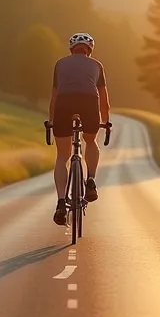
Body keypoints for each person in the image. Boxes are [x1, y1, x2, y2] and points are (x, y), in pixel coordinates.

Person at [49, 32, 110, 225]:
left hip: (64, 103)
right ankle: (90, 180)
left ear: (71, 49)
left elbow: (54, 96)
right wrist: (106, 121)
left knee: (62, 155)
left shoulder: (60, 64)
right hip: (89, 102)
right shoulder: (97, 65)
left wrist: (51, 121)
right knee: (90, 140)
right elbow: (104, 99)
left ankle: (61, 202)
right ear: (89, 50)